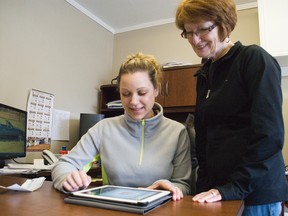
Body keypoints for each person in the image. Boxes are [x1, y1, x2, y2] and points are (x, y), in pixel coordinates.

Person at [175, 0, 288, 215]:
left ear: (223, 24)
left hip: (254, 194)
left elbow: (269, 136)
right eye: (188, 32)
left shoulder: (253, 59)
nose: (194, 39)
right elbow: (204, 138)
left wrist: (234, 188)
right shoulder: (205, 73)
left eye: (202, 29)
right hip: (218, 192)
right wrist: (205, 186)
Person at [52, 52, 192, 201]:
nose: (133, 101)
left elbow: (184, 185)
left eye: (142, 92)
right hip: (114, 209)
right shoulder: (103, 128)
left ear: (156, 89)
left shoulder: (177, 132)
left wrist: (169, 188)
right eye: (126, 94)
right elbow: (64, 164)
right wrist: (67, 177)